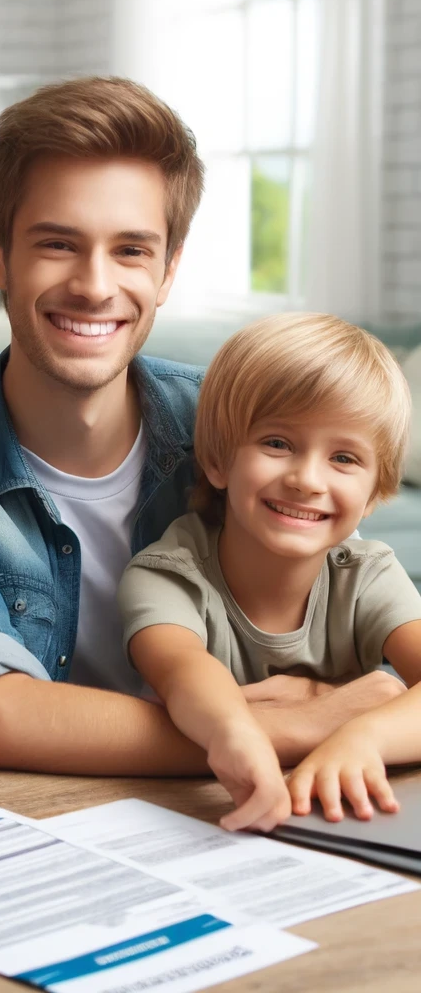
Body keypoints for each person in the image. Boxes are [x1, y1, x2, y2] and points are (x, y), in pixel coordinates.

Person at [0, 76, 405, 776]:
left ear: (169, 269)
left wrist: (314, 726)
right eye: (58, 243)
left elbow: (363, 626)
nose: (94, 284)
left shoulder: (238, 430)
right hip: (23, 820)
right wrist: (291, 726)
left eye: (132, 251)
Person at [120, 314, 421, 830]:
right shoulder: (166, 577)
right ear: (218, 462)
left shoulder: (366, 575)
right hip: (195, 814)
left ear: (374, 494)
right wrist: (237, 731)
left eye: (344, 457)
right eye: (278, 443)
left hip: (344, 815)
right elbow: (184, 671)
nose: (307, 479)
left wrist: (361, 736)